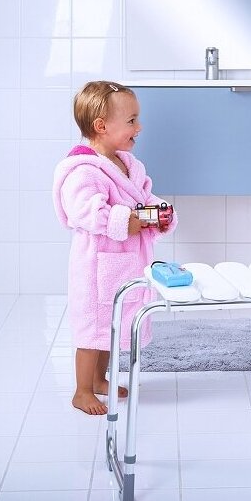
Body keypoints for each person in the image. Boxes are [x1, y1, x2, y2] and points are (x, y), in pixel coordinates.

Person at [52, 81, 175, 415]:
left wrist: (159, 213)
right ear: (101, 126)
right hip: (96, 266)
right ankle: (81, 391)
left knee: (113, 324)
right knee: (92, 327)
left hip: (124, 262)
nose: (140, 127)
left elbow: (144, 197)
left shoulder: (128, 165)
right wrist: (124, 221)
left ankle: (99, 380)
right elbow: (83, 211)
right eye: (132, 120)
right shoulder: (83, 170)